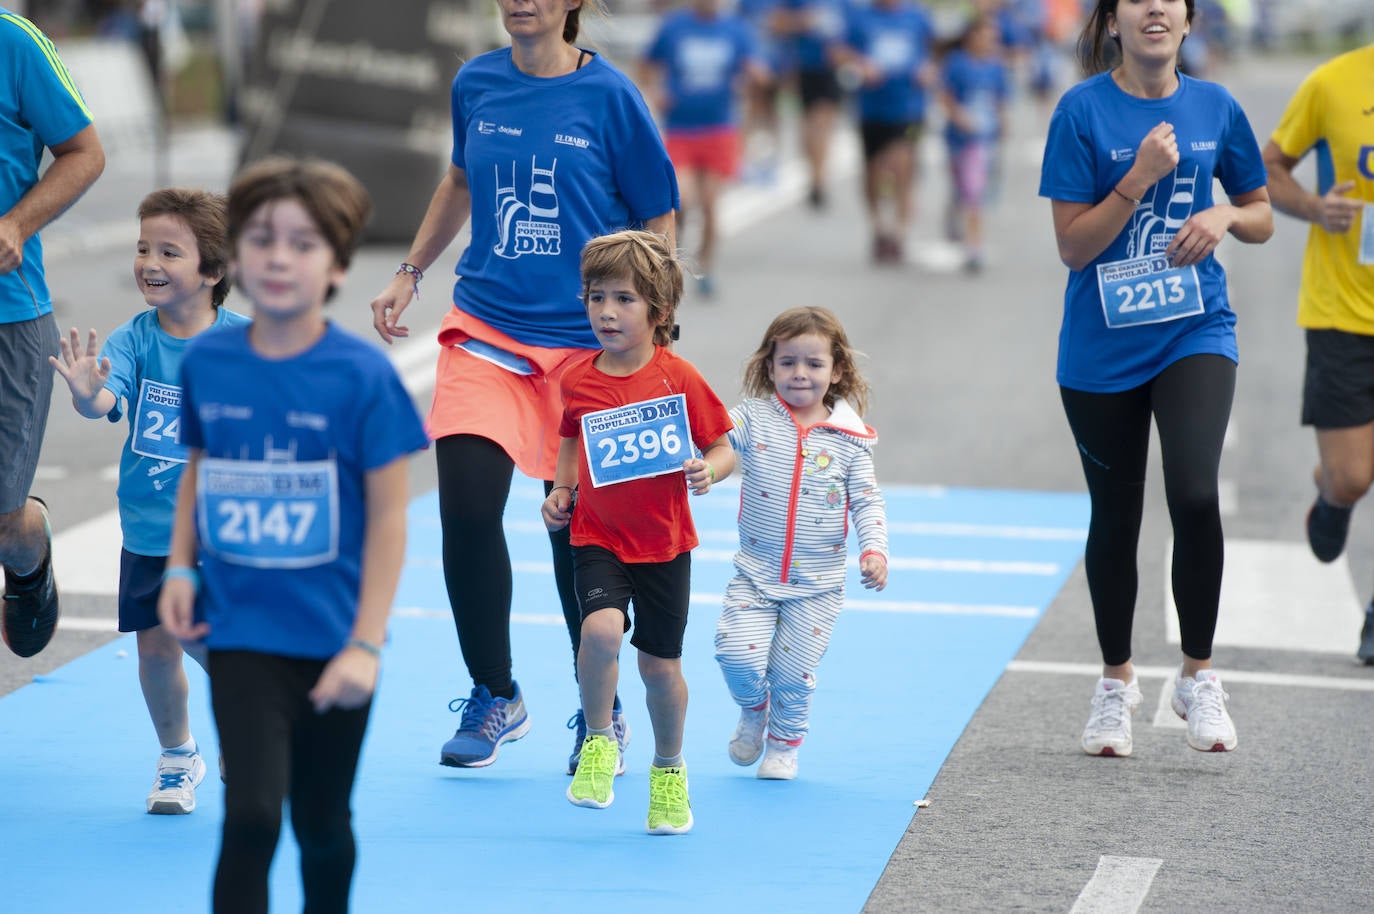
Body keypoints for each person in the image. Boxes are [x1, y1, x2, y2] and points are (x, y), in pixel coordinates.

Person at [368, 0, 679, 775]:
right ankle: (495, 691)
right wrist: (411, 272)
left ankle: (598, 711)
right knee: (467, 507)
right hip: (489, 331)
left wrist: (649, 325)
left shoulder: (611, 98)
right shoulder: (476, 83)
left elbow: (658, 215)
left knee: (576, 531)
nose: (521, 1)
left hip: (588, 348)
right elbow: (460, 180)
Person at [158, 157, 429, 912]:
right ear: (237, 255)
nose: (279, 257)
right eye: (263, 238)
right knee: (250, 815)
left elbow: (388, 519)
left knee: (320, 821)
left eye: (304, 243)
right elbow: (200, 466)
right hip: (240, 631)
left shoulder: (361, 378)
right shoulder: (210, 359)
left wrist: (365, 644)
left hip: (333, 639)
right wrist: (181, 568)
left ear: (338, 265)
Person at [1038, 0, 1272, 757]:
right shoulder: (1081, 111)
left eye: (1169, 0)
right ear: (1113, 21)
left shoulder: (1215, 105)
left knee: (1196, 491)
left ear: (1186, 19)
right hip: (1102, 344)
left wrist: (1227, 220)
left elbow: (1261, 210)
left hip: (1193, 327)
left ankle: (1198, 677)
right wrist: (1137, 179)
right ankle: (1116, 684)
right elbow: (1074, 249)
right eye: (1138, 0)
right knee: (1117, 515)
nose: (1155, 10)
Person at [49, 188, 248, 815]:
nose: (148, 262)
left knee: (207, 634)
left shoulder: (247, 342)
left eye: (169, 251)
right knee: (157, 648)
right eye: (142, 248)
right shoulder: (134, 339)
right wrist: (88, 395)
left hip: (227, 528)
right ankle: (178, 756)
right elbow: (110, 401)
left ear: (213, 271)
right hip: (151, 526)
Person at [542, 230, 734, 834]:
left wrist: (710, 471)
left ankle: (670, 772)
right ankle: (599, 739)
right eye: (596, 297)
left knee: (658, 669)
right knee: (600, 630)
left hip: (665, 544)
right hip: (597, 536)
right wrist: (562, 489)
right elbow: (571, 438)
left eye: (623, 299)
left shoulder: (679, 377)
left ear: (660, 311)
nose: (606, 312)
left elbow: (723, 447)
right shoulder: (579, 378)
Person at [714, 306, 888, 780]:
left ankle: (785, 742)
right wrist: (706, 465)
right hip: (755, 575)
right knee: (734, 654)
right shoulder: (754, 417)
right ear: (769, 367)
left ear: (836, 372)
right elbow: (719, 441)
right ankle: (754, 710)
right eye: (787, 361)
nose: (800, 373)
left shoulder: (851, 440)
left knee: (792, 675)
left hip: (817, 587)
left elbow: (867, 502)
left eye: (814, 363)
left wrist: (873, 550)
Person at [1260, 43, 1374, 663]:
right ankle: (1330, 489)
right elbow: (1269, 168)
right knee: (1355, 475)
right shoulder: (1333, 83)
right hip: (1343, 310)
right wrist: (1314, 206)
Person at [0, 7, 105, 658]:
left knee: (3, 521)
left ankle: (27, 550)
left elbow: (86, 153)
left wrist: (16, 223)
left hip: (10, 312)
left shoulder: (13, 41)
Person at [640, 0, 766, 297]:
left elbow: (756, 67)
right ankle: (675, 257)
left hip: (720, 129)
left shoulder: (736, 29)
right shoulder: (674, 26)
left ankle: (706, 266)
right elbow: (646, 63)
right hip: (681, 129)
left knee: (710, 204)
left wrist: (756, 75)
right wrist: (655, 91)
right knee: (681, 200)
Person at [834, 0, 936, 264]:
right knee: (873, 173)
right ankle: (879, 227)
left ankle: (900, 233)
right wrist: (861, 64)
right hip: (872, 108)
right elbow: (837, 51)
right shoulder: (861, 18)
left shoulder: (917, 16)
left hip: (909, 107)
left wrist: (928, 68)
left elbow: (935, 51)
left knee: (902, 165)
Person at [940, 14, 1011, 273]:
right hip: (958, 138)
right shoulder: (957, 63)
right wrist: (959, 117)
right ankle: (953, 211)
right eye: (984, 36)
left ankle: (974, 246)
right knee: (962, 187)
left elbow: (1000, 99)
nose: (989, 42)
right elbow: (945, 96)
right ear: (971, 37)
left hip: (983, 141)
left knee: (975, 192)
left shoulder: (996, 67)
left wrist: (1003, 123)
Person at [772, 0, 848, 209]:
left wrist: (846, 53)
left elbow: (851, 30)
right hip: (803, 68)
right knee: (808, 127)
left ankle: (819, 179)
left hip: (831, 69)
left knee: (824, 124)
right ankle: (813, 172)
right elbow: (776, 24)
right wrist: (801, 21)